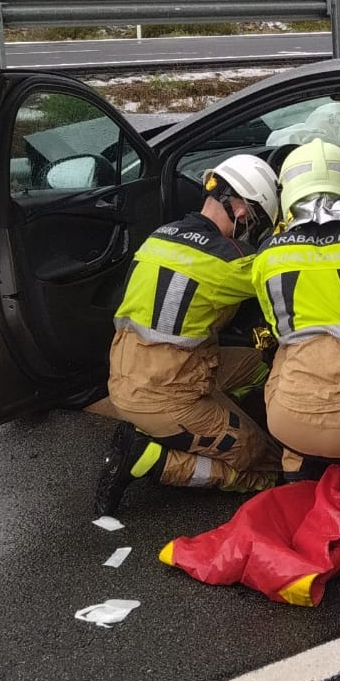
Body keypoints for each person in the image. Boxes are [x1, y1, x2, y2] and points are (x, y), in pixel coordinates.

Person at [95, 153, 284, 514]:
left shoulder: (160, 236)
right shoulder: (228, 261)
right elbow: (283, 274)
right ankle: (152, 459)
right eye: (255, 220)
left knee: (256, 362)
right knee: (262, 460)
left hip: (131, 373)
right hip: (163, 396)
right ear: (241, 210)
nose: (251, 229)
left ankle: (208, 420)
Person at [250, 141, 340, 471]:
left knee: (286, 352)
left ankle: (296, 471)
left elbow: (275, 326)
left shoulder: (267, 257)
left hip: (287, 426)